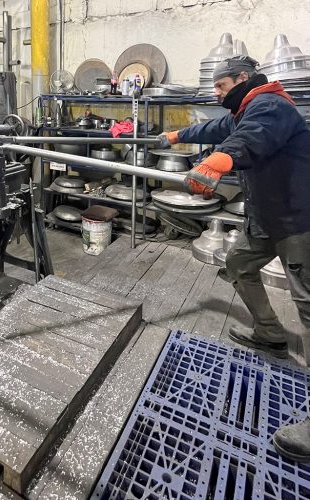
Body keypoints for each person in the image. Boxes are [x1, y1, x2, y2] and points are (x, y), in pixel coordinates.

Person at [160, 55, 310, 463]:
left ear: (243, 79)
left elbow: (252, 138)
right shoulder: (244, 110)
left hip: (297, 220)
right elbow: (215, 128)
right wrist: (176, 136)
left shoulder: (271, 106)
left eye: (221, 86)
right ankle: (270, 333)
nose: (216, 93)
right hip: (265, 219)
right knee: (239, 265)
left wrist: (216, 161)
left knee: (308, 306)